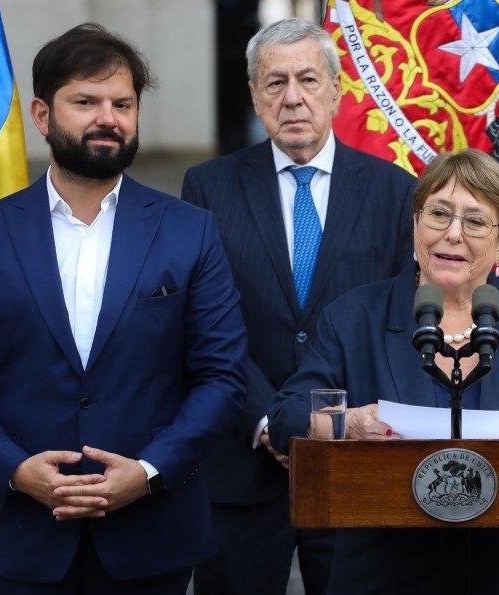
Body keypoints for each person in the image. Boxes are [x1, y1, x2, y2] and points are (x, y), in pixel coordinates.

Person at [0, 24, 247, 594]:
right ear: (43, 116)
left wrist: (146, 473)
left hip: (152, 537)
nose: (109, 118)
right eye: (86, 102)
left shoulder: (188, 231)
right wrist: (17, 472)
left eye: (123, 104)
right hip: (25, 536)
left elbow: (221, 377)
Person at [268, 149, 499, 594]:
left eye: (475, 221)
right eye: (438, 214)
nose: (452, 234)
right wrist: (346, 421)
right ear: (415, 224)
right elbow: (286, 415)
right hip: (388, 573)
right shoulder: (354, 316)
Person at [179, 18, 415, 595]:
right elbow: (204, 325)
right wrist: (270, 424)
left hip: (353, 464)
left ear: (337, 90)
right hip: (242, 461)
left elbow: (396, 324)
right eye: (275, 82)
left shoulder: (394, 190)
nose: (292, 98)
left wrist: (333, 426)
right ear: (255, 95)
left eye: (308, 79)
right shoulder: (209, 187)